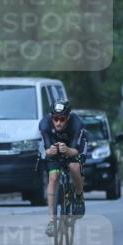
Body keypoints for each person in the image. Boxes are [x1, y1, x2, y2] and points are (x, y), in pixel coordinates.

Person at [39, 99, 88, 237]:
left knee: (74, 167)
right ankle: (51, 221)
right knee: (53, 177)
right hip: (54, 148)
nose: (58, 122)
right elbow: (45, 149)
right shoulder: (44, 124)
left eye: (62, 119)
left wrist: (67, 150)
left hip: (73, 147)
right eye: (55, 119)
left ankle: (79, 196)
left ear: (68, 117)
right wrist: (49, 151)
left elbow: (76, 151)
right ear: (51, 117)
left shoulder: (77, 124)